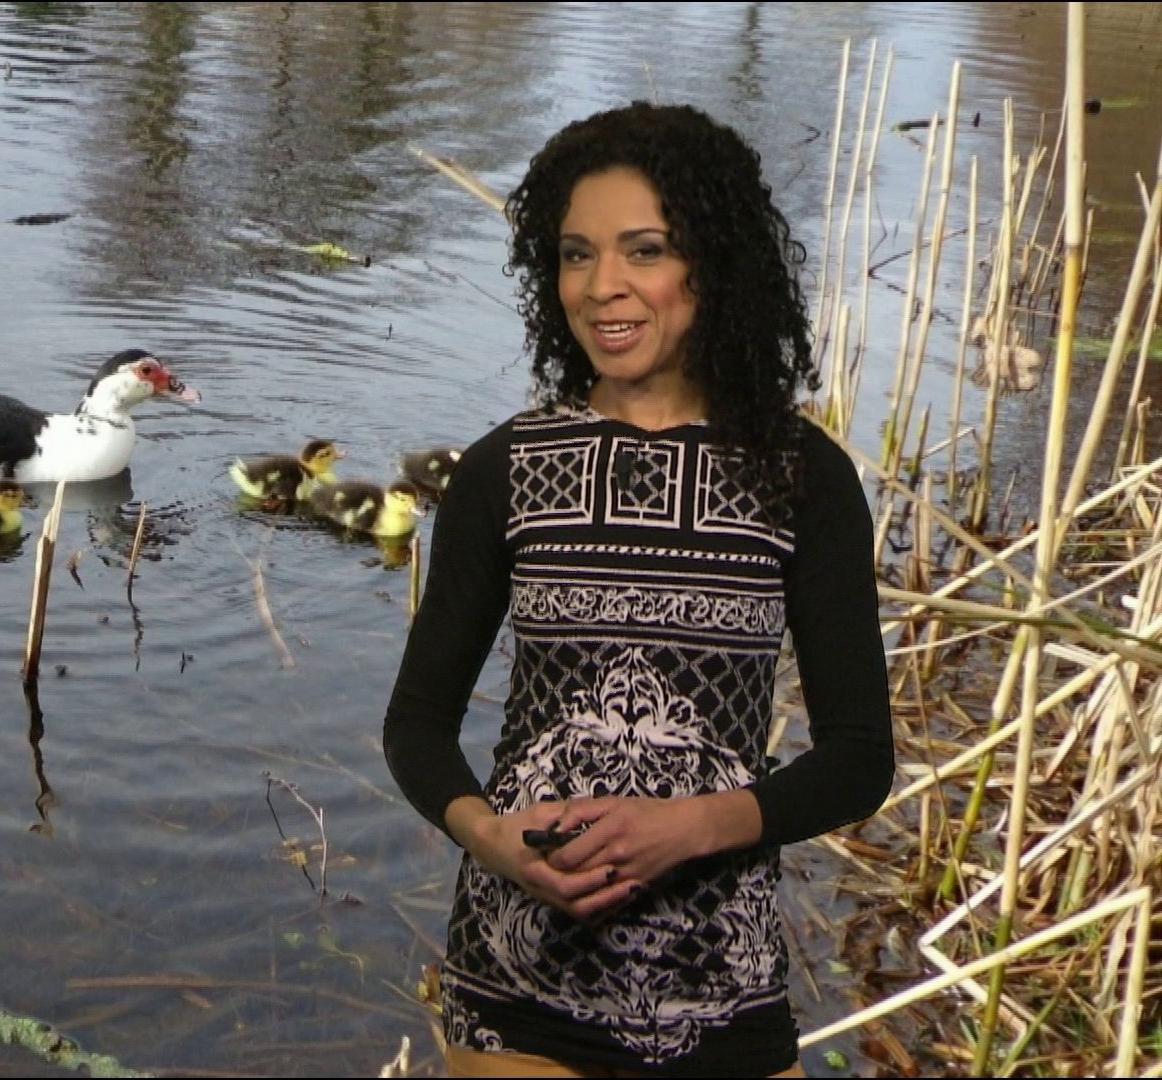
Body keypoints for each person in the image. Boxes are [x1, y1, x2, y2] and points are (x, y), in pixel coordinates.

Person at [382, 102, 894, 1078]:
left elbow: (859, 758)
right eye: (576, 254)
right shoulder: (504, 471)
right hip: (515, 987)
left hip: (722, 993)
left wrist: (690, 827)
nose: (601, 286)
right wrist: (489, 837)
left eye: (644, 250)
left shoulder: (802, 478)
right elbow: (417, 725)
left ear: (715, 265)